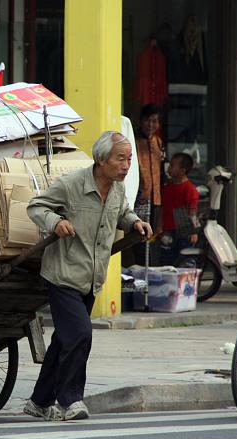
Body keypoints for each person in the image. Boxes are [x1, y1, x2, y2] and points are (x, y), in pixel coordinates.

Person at [24, 131, 153, 421]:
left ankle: (38, 401)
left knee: (64, 340)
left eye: (129, 158)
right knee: (80, 334)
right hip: (64, 275)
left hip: (91, 277)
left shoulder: (117, 189)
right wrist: (55, 221)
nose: (126, 165)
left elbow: (123, 213)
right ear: (101, 159)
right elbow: (36, 206)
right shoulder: (72, 185)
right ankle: (70, 400)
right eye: (120, 159)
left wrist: (136, 223)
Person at [160, 152, 200, 265]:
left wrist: (194, 231)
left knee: (185, 260)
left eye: (172, 165)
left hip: (184, 231)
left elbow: (193, 211)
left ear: (183, 170)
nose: (169, 168)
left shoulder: (189, 189)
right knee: (167, 260)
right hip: (168, 230)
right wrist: (159, 227)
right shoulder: (167, 187)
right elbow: (162, 208)